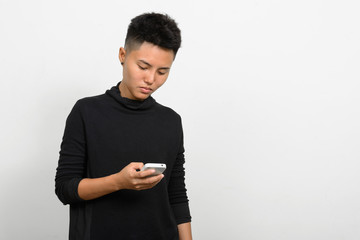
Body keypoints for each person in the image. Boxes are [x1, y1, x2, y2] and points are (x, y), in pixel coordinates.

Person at [55, 12, 192, 240]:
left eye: (162, 71)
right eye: (143, 66)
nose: (151, 79)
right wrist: (118, 182)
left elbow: (176, 194)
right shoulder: (86, 112)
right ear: (123, 55)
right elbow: (65, 189)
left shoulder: (171, 120)